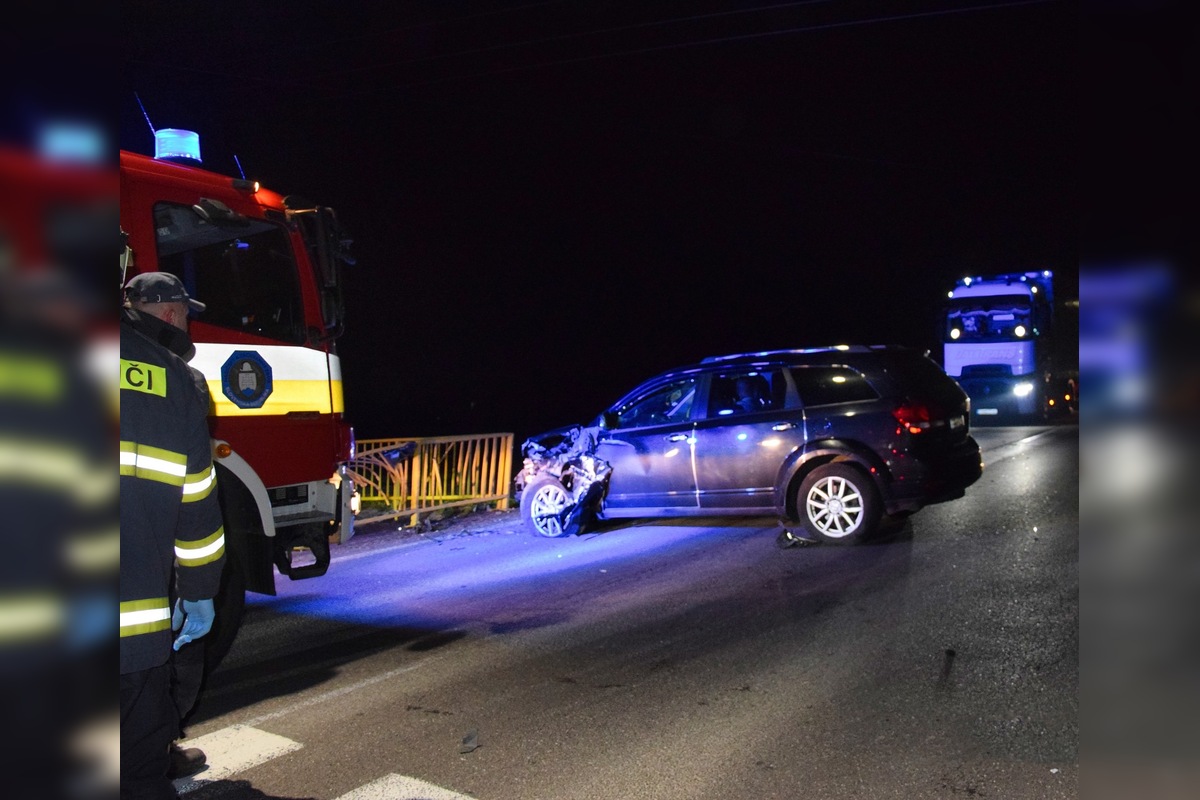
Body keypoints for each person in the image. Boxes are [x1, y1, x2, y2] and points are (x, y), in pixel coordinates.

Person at [120, 271, 226, 797]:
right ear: (169, 314)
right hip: (129, 633)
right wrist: (200, 589)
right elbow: (197, 507)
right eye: (186, 313)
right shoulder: (177, 379)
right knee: (137, 771)